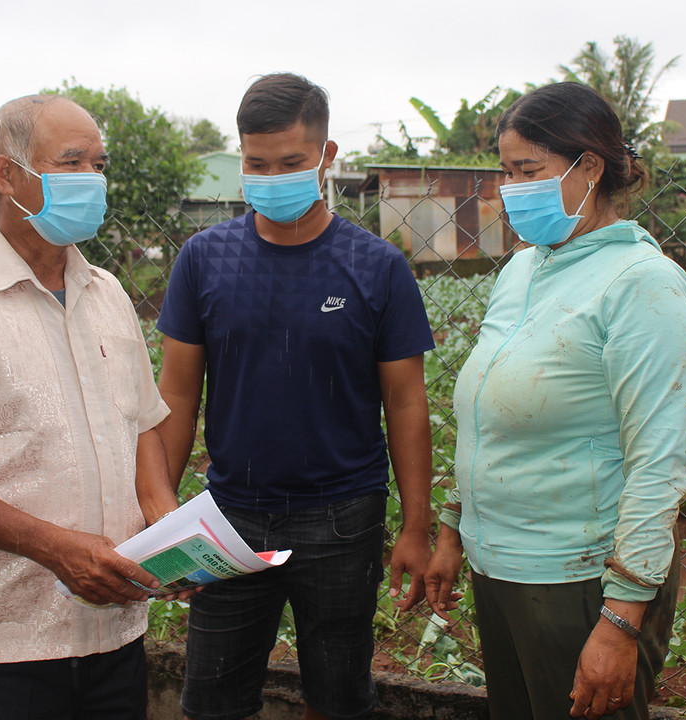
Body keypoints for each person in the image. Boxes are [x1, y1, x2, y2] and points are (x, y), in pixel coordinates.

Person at [137, 72, 435, 720]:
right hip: (229, 517)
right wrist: (166, 516)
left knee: (338, 696)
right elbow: (177, 394)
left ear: (328, 157)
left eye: (292, 163)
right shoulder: (204, 260)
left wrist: (416, 524)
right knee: (213, 700)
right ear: (239, 158)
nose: (272, 177)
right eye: (257, 164)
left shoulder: (376, 266)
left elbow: (407, 404)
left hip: (342, 517)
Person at [0, 94, 186, 720]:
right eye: (70, 162)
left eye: (98, 165)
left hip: (115, 633)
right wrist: (54, 547)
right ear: (6, 174)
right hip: (0, 645)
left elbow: (143, 425)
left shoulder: (107, 295)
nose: (91, 181)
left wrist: (165, 524)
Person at [424, 81, 686, 720]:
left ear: (590, 168)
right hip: (502, 569)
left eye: (529, 171)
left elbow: (659, 464)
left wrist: (621, 619)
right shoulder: (524, 268)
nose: (510, 189)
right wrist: (453, 522)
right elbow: (485, 412)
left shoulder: (642, 285)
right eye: (506, 172)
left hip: (581, 580)